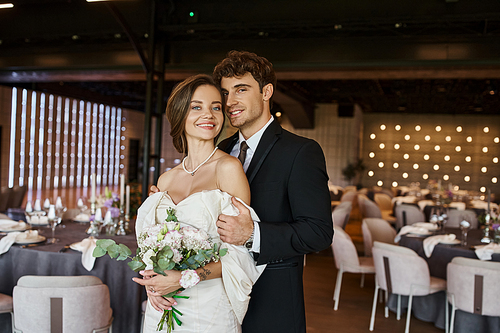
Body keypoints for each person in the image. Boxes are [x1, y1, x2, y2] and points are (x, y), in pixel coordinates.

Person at [133, 74, 265, 332]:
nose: (210, 114)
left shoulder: (228, 168)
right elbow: (150, 245)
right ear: (180, 114)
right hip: (163, 304)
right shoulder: (166, 179)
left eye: (216, 107)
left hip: (208, 308)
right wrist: (154, 285)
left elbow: (240, 253)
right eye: (197, 107)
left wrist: (183, 277)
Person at [213, 51, 334, 333]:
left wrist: (253, 234)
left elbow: (319, 232)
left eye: (241, 90)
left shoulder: (301, 152)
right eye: (225, 92)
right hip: (217, 298)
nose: (230, 102)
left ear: (267, 91)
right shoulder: (218, 152)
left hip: (272, 301)